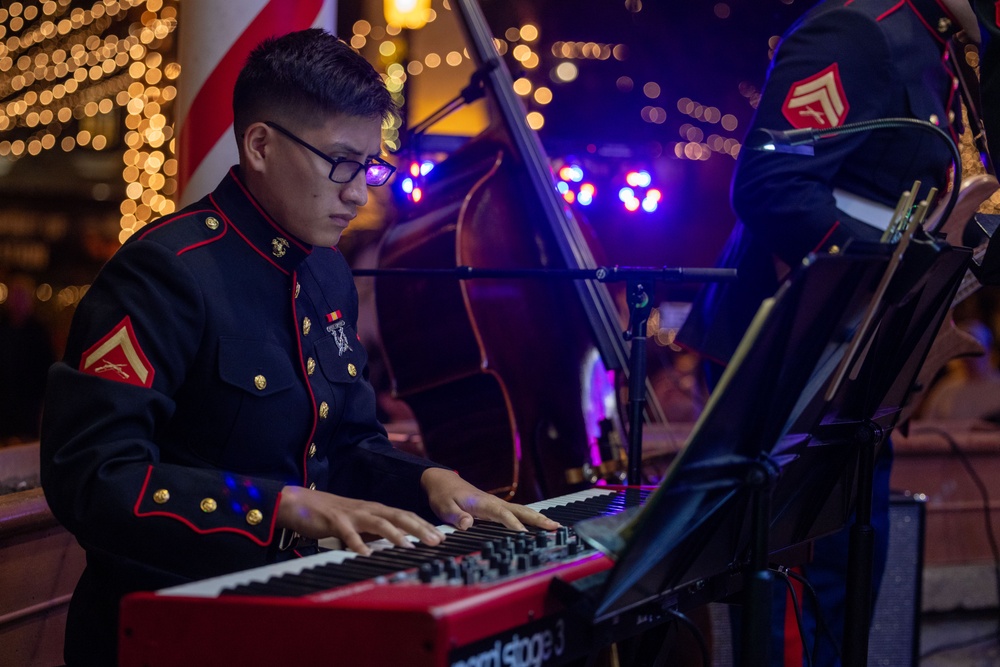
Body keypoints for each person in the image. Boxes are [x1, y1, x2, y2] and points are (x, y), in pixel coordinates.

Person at [40, 29, 558, 666]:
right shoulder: (167, 271)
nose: (359, 192)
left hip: (298, 614)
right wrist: (276, 506)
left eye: (369, 167)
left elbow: (349, 443)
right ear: (260, 145)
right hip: (176, 629)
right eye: (340, 162)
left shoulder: (325, 272)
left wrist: (430, 479)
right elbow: (94, 479)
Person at [678, 0, 982, 664]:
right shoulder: (862, 29)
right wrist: (900, 272)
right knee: (796, 601)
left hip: (855, 359)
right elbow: (770, 185)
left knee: (844, 597)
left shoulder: (950, 48)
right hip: (792, 355)